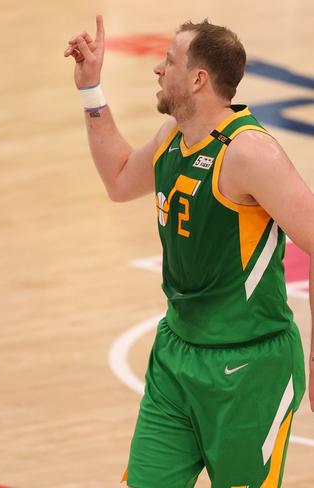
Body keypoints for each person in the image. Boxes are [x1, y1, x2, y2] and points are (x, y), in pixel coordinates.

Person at [65, 16, 314, 487]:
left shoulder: (249, 153)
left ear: (198, 79)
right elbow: (119, 180)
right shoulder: (172, 140)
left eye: (170, 60)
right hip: (177, 357)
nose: (158, 70)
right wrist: (91, 92)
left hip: (249, 370)